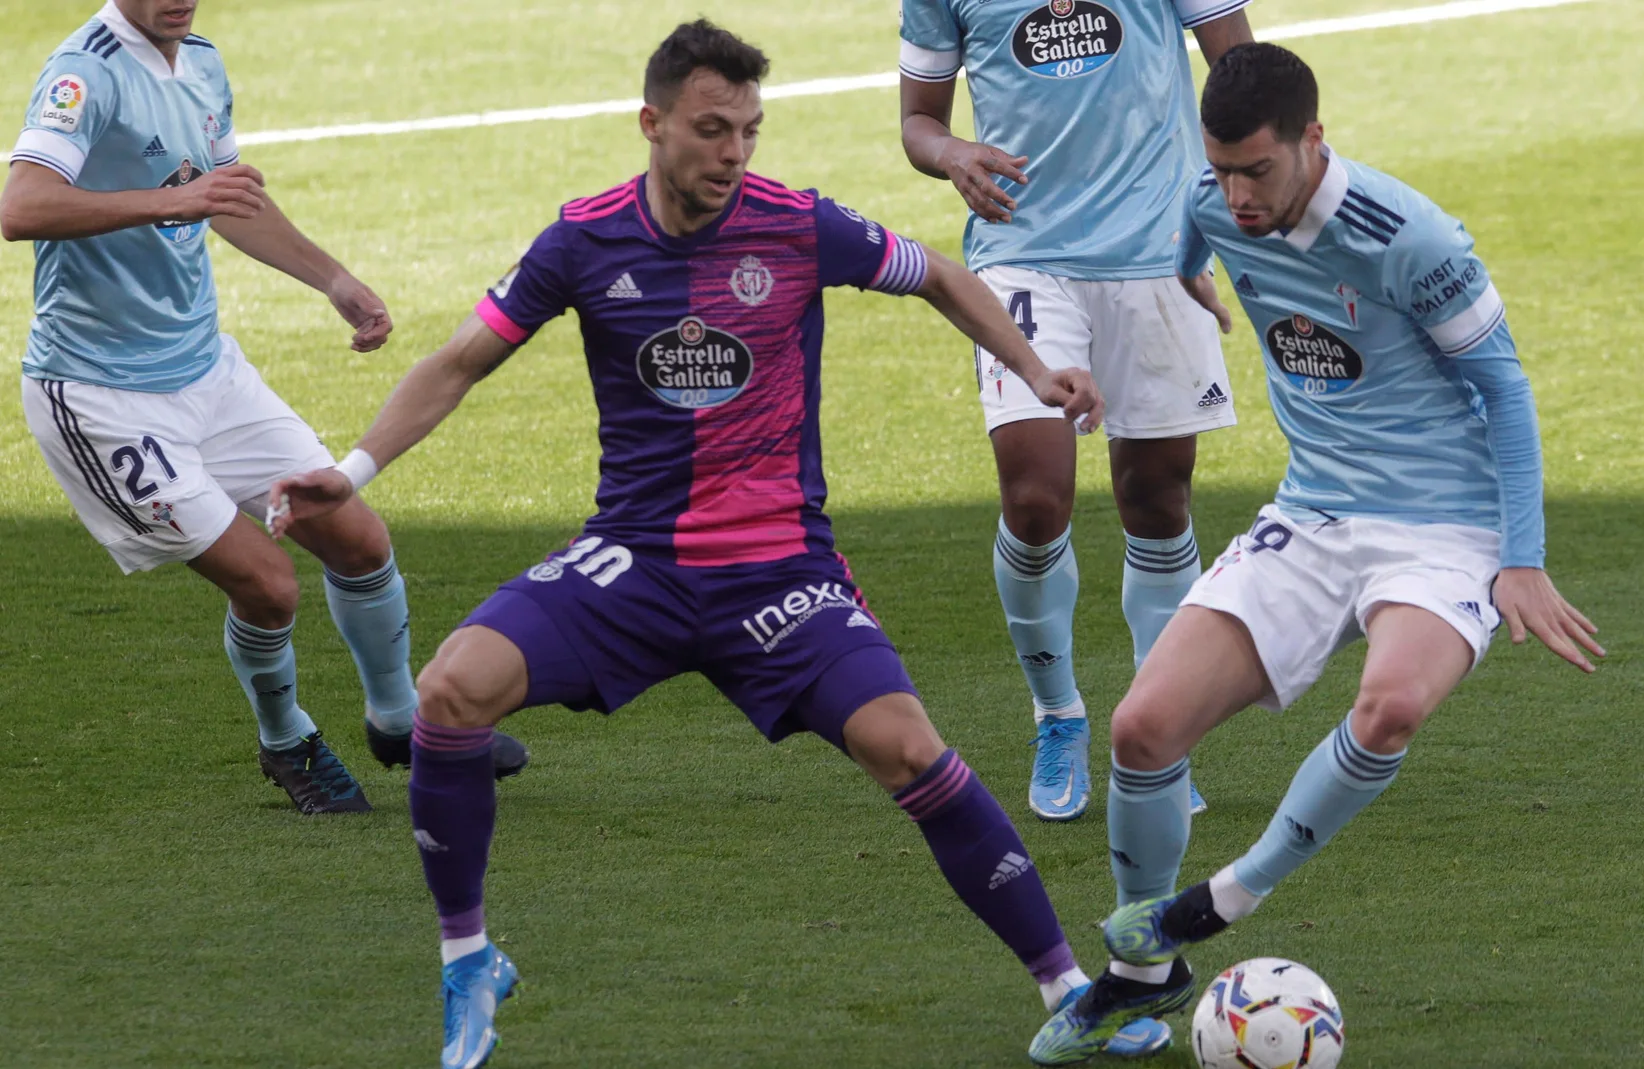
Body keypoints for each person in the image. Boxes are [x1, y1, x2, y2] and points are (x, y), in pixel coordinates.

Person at [267, 21, 1168, 1068]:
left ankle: (1066, 987)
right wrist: (354, 470)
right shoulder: (582, 238)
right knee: (449, 693)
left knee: (908, 746)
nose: (733, 152)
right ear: (651, 125)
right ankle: (467, 956)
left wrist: (1039, 369)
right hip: (635, 562)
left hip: (780, 569)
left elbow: (941, 277)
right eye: (710, 130)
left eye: (748, 129)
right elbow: (461, 362)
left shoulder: (798, 224)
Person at [1027, 42, 1605, 1064]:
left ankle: (1223, 897)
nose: (1237, 194)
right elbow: (1189, 244)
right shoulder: (1209, 205)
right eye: (1220, 170)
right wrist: (1198, 278)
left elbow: (1504, 388)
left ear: (1312, 141)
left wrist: (1519, 556)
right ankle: (1137, 972)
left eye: (1256, 169)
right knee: (1142, 727)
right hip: (1317, 509)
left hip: (1444, 526)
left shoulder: (1409, 238)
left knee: (1389, 705)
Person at [0, 0, 526, 815]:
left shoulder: (201, 60)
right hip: (103, 398)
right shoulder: (85, 71)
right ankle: (286, 740)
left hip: (208, 371)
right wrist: (171, 200)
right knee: (270, 585)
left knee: (356, 535)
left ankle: (401, 722)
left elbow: (229, 197)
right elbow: (21, 206)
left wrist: (334, 279)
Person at [898, 0, 1256, 822]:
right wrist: (952, 152)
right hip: (1022, 255)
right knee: (1033, 496)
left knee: (1158, 496)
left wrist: (1210, 224)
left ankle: (1158, 728)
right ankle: (1057, 714)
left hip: (1155, 252)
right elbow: (919, 121)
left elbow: (1241, 80)